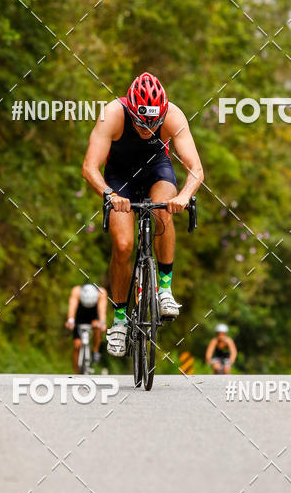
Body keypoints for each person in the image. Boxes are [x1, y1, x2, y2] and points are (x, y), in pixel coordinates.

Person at [82, 72, 204, 357]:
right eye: (140, 122)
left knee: (164, 212)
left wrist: (184, 196)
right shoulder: (112, 113)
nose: (147, 129)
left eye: (153, 123)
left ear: (162, 114)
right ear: (131, 110)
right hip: (119, 177)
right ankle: (121, 322)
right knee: (123, 245)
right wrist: (110, 194)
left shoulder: (173, 115)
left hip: (156, 171)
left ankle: (164, 289)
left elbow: (195, 168)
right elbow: (90, 167)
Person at [65, 283, 108, 372]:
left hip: (93, 316)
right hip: (79, 317)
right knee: (77, 345)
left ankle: (95, 351)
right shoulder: (76, 291)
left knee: (98, 327)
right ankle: (76, 372)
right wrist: (70, 320)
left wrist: (102, 323)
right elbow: (72, 307)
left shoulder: (101, 292)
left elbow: (102, 310)